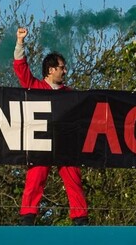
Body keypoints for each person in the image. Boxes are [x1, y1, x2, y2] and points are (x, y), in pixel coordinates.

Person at [13, 26, 89, 226]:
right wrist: (20, 42)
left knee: (73, 176)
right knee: (36, 176)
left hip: (65, 142)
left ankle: (80, 218)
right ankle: (28, 217)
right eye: (62, 67)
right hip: (41, 140)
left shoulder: (70, 93)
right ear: (50, 70)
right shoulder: (36, 87)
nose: (65, 71)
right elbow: (21, 70)